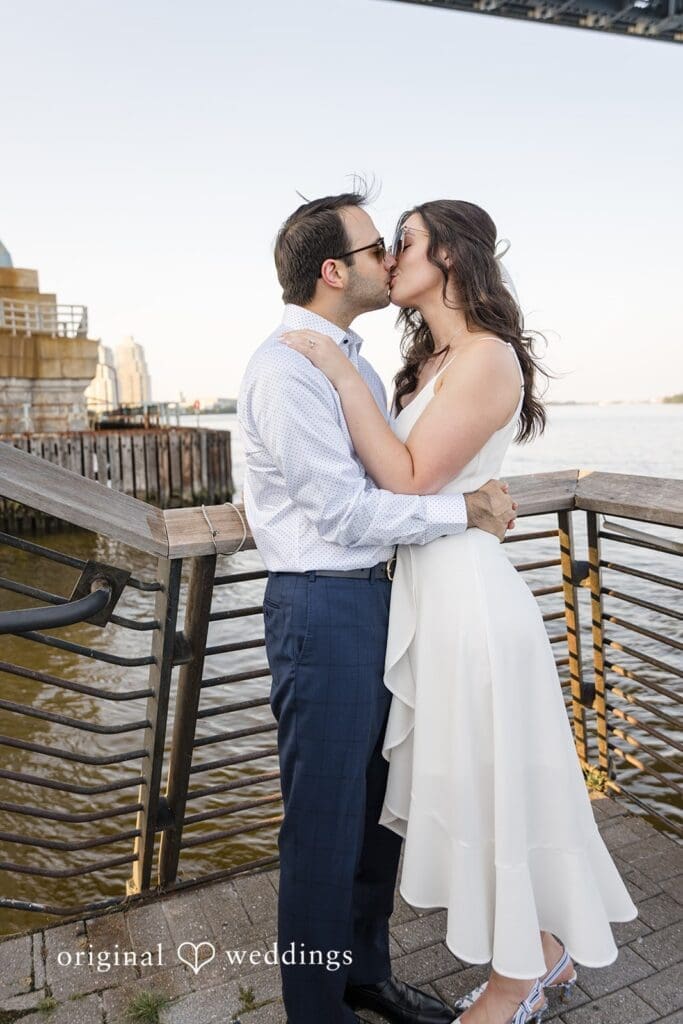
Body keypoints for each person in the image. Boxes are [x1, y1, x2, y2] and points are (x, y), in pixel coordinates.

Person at [281, 198, 638, 1024]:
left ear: (448, 254)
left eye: (402, 242)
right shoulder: (425, 364)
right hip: (425, 595)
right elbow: (391, 479)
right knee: (465, 784)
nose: (388, 256)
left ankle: (522, 980)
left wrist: (336, 373)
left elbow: (406, 481)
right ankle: (537, 957)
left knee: (492, 787)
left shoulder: (485, 357)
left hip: (470, 605)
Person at [237, 190, 516, 1024]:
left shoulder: (353, 360)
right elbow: (345, 513)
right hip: (322, 610)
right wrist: (463, 511)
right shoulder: (288, 367)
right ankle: (316, 1012)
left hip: (377, 604)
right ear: (334, 270)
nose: (388, 261)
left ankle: (364, 979)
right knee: (322, 828)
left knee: (371, 823)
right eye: (374, 249)